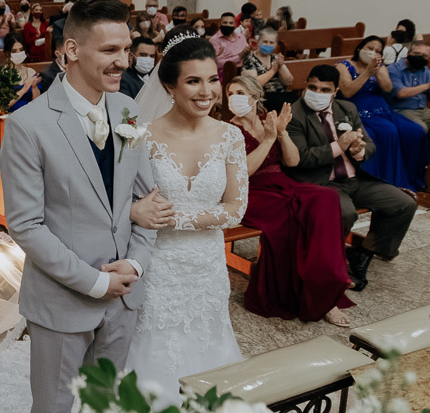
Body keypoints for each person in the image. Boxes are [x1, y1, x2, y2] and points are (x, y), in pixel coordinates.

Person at [0, 0, 162, 413]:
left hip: (124, 294)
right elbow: (26, 225)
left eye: (126, 49)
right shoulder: (27, 125)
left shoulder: (127, 109)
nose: (124, 62)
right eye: (110, 50)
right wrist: (94, 282)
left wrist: (136, 263)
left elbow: (147, 198)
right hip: (64, 300)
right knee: (55, 406)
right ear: (71, 50)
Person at [127, 26, 245, 405]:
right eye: (193, 81)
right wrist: (135, 211)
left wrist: (173, 217)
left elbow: (236, 209)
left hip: (207, 265)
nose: (207, 91)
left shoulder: (230, 136)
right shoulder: (140, 136)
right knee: (154, 341)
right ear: (169, 87)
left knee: (208, 339)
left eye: (213, 80)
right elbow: (117, 203)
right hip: (157, 263)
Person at [227, 76, 353, 327]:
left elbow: (293, 161)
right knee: (290, 219)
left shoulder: (268, 120)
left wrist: (282, 133)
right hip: (251, 191)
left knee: (327, 197)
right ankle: (302, 294)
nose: (234, 98)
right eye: (230, 93)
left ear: (255, 96)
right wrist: (268, 139)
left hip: (281, 182)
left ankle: (327, 284)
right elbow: (243, 172)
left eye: (240, 92)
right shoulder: (227, 129)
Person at [285, 64, 417, 291]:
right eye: (312, 87)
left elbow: (370, 144)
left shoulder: (347, 109)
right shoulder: (294, 115)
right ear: (305, 86)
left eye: (325, 90)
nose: (317, 93)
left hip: (356, 179)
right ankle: (334, 263)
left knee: (403, 204)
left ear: (335, 91)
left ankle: (364, 252)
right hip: (323, 183)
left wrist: (360, 151)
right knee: (345, 213)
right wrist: (339, 146)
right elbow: (302, 158)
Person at [337, 36, 428, 192]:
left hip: (383, 110)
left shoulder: (380, 66)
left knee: (415, 131)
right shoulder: (343, 66)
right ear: (360, 48)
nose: (373, 52)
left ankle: (413, 177)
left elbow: (387, 88)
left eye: (378, 51)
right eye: (370, 48)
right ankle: (383, 182)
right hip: (357, 111)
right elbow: (347, 91)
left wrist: (378, 69)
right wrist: (367, 72)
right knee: (388, 131)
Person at [241, 26, 296, 112]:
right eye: (265, 42)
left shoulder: (275, 57)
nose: (268, 45)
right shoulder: (250, 58)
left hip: (280, 93)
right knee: (282, 104)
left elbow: (288, 81)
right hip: (263, 95)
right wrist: (272, 70)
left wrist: (281, 66)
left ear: (275, 44)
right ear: (258, 41)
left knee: (297, 101)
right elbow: (253, 84)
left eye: (271, 43)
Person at [388, 41, 430, 133]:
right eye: (416, 53)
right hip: (402, 110)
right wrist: (426, 86)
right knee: (420, 129)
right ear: (408, 53)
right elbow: (401, 93)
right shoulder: (394, 69)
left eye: (424, 56)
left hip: (423, 110)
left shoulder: (425, 70)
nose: (420, 57)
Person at [2, 35, 40, 112]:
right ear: (7, 53)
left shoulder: (30, 72)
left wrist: (34, 87)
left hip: (30, 113)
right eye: (14, 51)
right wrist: (24, 89)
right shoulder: (3, 73)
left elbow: (37, 103)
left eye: (21, 50)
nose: (18, 53)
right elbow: (4, 106)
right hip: (11, 115)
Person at [210, 12, 247, 78]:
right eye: (225, 23)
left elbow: (246, 55)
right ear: (219, 24)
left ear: (235, 25)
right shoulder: (214, 40)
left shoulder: (240, 36)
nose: (228, 25)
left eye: (231, 23)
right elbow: (218, 63)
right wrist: (239, 57)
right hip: (225, 74)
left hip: (243, 71)